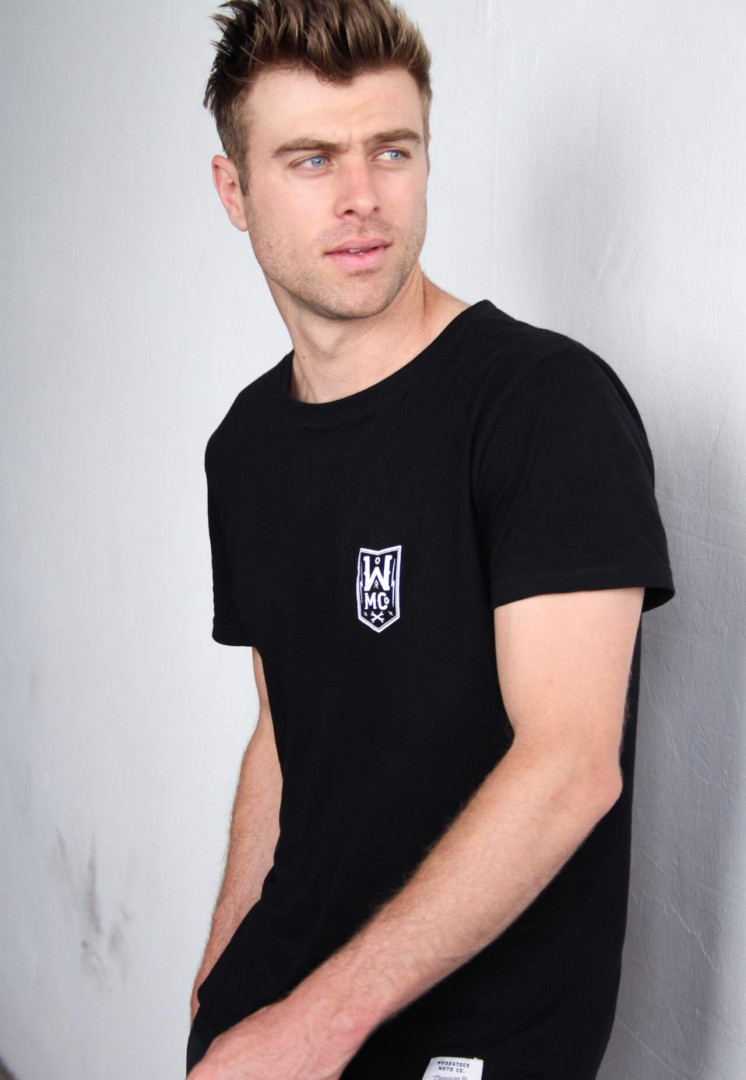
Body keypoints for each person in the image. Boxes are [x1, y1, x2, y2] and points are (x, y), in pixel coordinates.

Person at [185, 1, 676, 1078]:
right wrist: (223, 977)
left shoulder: (543, 405)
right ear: (234, 190)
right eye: (311, 159)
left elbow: (569, 766)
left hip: (472, 1039)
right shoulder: (245, 446)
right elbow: (283, 730)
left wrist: (315, 1027)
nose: (361, 195)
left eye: (391, 150)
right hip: (283, 1008)